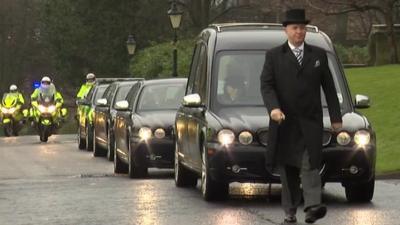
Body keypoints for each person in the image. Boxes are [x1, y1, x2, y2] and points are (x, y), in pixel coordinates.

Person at [260, 9, 342, 224]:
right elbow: (266, 85)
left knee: (310, 163)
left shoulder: (318, 55)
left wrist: (336, 118)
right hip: (285, 122)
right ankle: (289, 211)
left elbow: (330, 88)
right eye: (295, 28)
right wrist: (273, 108)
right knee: (288, 170)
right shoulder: (274, 56)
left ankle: (313, 206)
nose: (299, 32)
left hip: (310, 122)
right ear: (286, 30)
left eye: (303, 28)